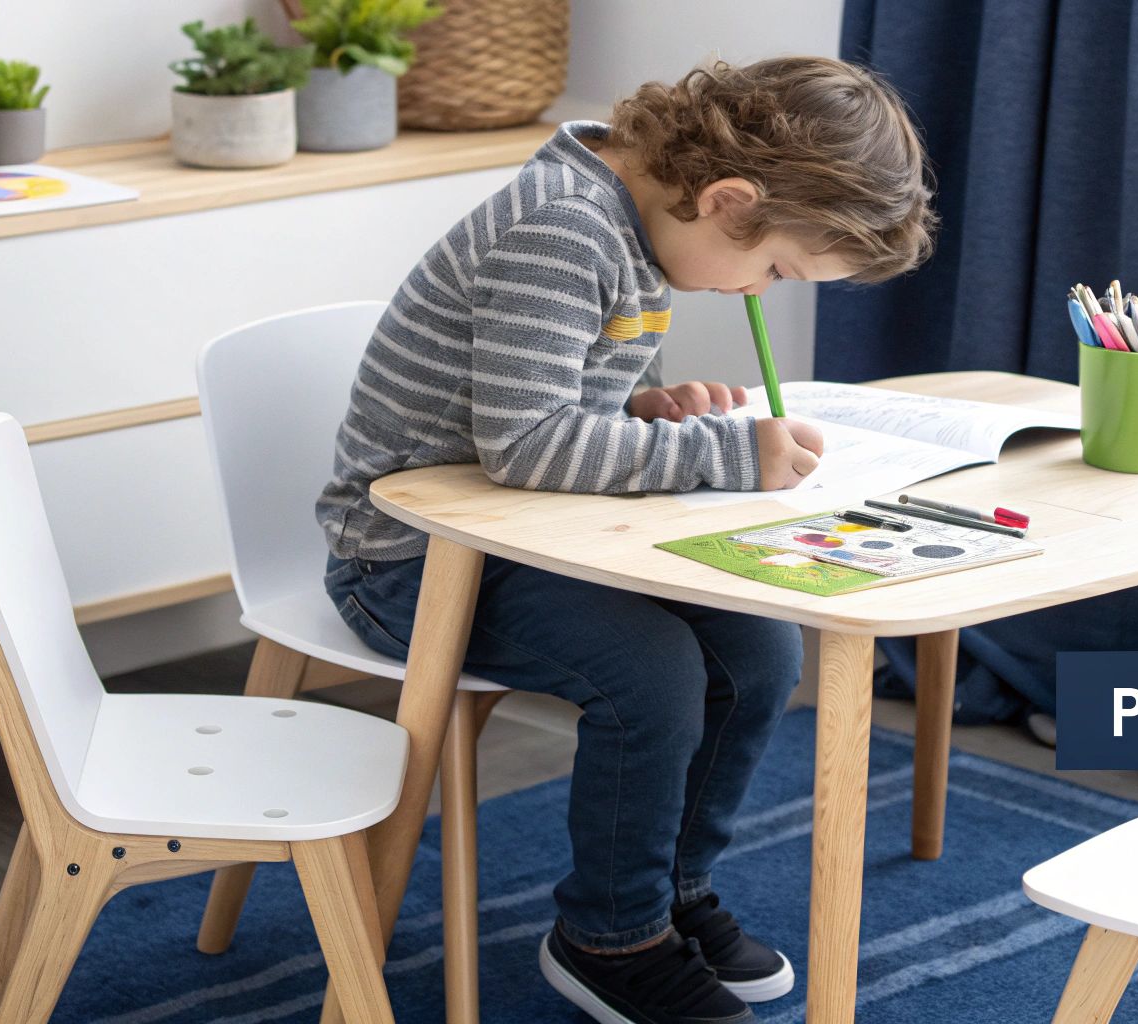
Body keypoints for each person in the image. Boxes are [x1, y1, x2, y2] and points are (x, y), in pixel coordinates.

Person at [316, 56, 934, 1024]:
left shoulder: (630, 222)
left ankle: (669, 890)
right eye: (773, 270)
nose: (756, 295)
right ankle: (610, 936)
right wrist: (724, 452)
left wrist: (647, 408)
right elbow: (523, 443)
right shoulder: (561, 229)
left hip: (523, 535)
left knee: (762, 651)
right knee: (648, 678)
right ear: (725, 199)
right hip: (406, 562)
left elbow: (547, 401)